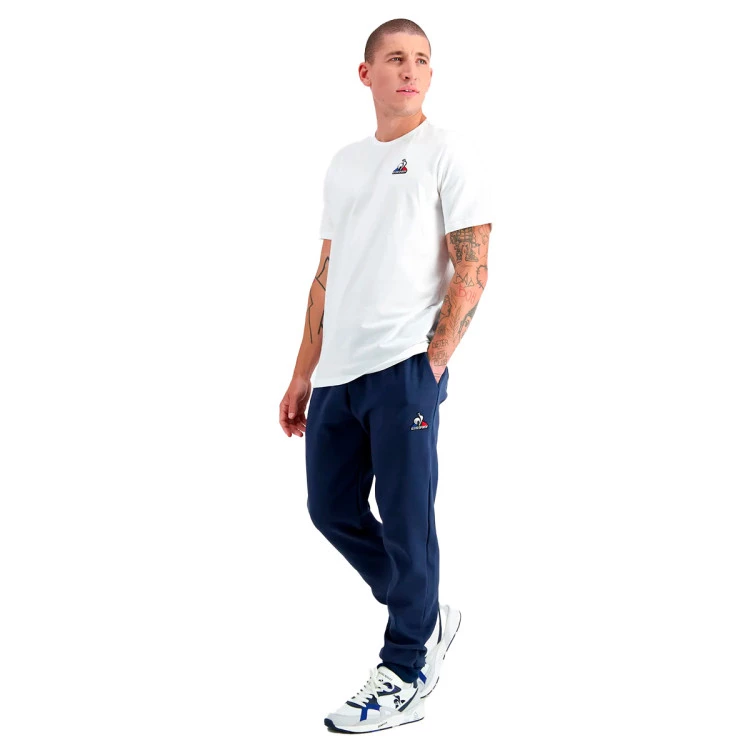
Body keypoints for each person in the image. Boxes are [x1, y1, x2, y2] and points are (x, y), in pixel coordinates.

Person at [278, 18, 493, 733]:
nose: (410, 70)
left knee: (407, 523)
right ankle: (425, 613)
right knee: (330, 509)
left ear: (431, 75)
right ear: (366, 73)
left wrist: (431, 364)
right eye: (396, 58)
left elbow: (473, 266)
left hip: (404, 366)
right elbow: (326, 273)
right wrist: (302, 373)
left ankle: (405, 671)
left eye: (422, 60)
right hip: (338, 373)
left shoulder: (446, 151)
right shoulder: (345, 164)